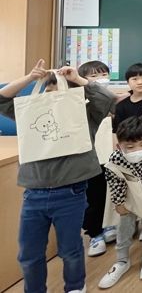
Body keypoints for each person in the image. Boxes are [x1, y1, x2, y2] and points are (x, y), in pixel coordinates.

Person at [0, 60, 113, 293]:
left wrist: (77, 79)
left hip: (71, 192)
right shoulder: (31, 113)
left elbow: (107, 98)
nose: (52, 95)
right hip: (34, 193)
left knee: (70, 250)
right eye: (48, 90)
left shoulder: (84, 114)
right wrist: (30, 78)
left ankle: (75, 287)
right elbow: (1, 99)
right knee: (28, 254)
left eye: (59, 90)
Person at [99, 116, 142, 289]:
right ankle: (122, 260)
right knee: (125, 222)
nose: (138, 150)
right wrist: (119, 203)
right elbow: (115, 182)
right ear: (119, 146)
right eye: (130, 147)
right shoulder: (116, 158)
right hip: (128, 190)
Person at [75, 60, 117, 257]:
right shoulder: (78, 100)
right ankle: (94, 233)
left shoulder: (113, 99)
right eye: (93, 76)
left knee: (112, 192)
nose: (100, 79)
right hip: (90, 156)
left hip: (112, 154)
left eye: (103, 75)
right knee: (93, 195)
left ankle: (110, 225)